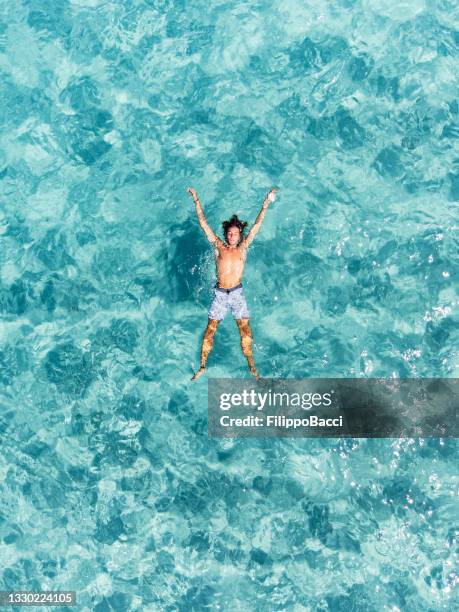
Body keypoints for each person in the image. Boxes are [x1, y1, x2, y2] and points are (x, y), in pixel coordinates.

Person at [186, 186, 279, 380]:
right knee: (209, 332)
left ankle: (252, 366)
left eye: (235, 233)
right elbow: (203, 224)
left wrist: (266, 203)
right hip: (220, 295)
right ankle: (202, 366)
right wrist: (196, 199)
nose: (231, 236)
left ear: (240, 235)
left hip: (237, 294)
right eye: (229, 233)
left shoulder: (244, 247)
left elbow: (256, 226)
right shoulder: (219, 247)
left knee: (245, 333)